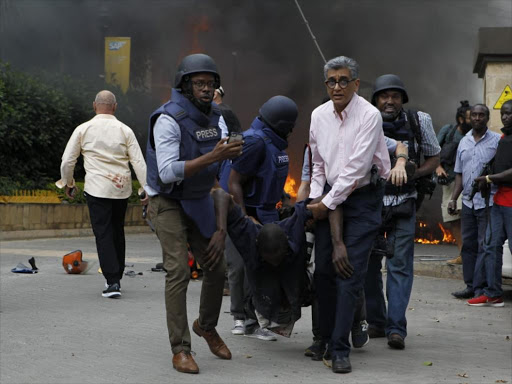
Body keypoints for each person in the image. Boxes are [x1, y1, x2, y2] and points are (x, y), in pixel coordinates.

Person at [144, 53, 243, 374]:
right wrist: (212, 155)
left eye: (210, 83)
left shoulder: (218, 118)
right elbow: (169, 171)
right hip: (168, 200)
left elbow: (217, 173)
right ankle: (181, 349)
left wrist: (219, 226)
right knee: (178, 271)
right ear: (185, 86)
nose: (205, 89)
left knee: (216, 268)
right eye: (199, 83)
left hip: (200, 196)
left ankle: (207, 326)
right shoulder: (167, 119)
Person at [306, 56, 391, 374]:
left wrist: (324, 205)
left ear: (356, 84)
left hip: (363, 199)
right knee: (325, 272)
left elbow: (355, 170)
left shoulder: (370, 115)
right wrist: (317, 199)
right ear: (325, 84)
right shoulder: (318, 115)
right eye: (331, 80)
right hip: (331, 196)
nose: (337, 86)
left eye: (344, 80)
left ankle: (340, 350)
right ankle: (326, 338)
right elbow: (317, 164)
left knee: (348, 274)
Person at [364, 74, 441, 350]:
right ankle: (377, 321)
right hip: (370, 207)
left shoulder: (419, 121)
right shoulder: (364, 121)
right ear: (376, 100)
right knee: (368, 267)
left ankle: (397, 328)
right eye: (384, 96)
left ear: (402, 99)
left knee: (399, 267)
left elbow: (434, 157)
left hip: (404, 204)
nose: (389, 101)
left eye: (395, 96)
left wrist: (413, 174)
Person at [219, 95, 298, 340]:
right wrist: (243, 218)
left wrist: (284, 197)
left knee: (261, 267)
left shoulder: (270, 143)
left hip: (263, 212)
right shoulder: (255, 142)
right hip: (243, 213)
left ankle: (258, 319)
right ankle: (241, 319)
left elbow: (266, 176)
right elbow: (233, 181)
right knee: (240, 267)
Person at [56, 90, 147, 298]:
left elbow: (67, 161)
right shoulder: (125, 130)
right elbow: (138, 162)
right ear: (114, 107)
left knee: (103, 233)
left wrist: (68, 183)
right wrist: (144, 189)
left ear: (94, 105)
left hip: (96, 189)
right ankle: (117, 276)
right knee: (117, 231)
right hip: (121, 189)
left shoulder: (83, 129)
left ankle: (112, 281)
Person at [448, 104, 501, 300]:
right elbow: (459, 174)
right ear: (469, 118)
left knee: (484, 245)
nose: (477, 118)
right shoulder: (464, 142)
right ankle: (470, 285)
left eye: (481, 115)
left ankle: (481, 288)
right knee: (468, 245)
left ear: (487, 117)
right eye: (474, 115)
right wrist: (454, 199)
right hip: (469, 203)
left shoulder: (497, 141)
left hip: (489, 202)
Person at [468, 100, 512, 307]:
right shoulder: (504, 138)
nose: (505, 117)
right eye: (503, 114)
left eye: (509, 114)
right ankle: (493, 293)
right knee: (491, 246)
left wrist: (489, 179)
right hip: (499, 202)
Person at [436, 101, 472, 265]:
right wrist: (437, 167)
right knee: (452, 219)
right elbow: (433, 150)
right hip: (449, 181)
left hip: (467, 182)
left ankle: (470, 254)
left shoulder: (474, 135)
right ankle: (463, 254)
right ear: (461, 119)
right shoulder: (448, 131)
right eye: (470, 118)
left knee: (466, 217)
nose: (474, 121)